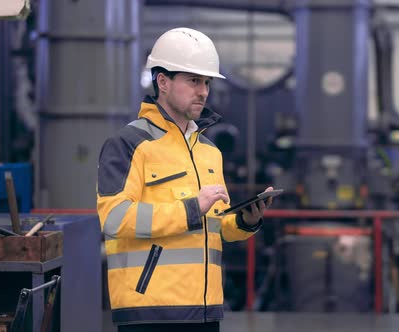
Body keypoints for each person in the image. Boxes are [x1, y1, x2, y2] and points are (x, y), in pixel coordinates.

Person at [96, 27, 274, 332]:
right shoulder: (128, 144)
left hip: (205, 310)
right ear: (162, 82)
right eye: (193, 81)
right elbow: (114, 219)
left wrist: (244, 221)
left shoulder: (209, 152)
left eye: (206, 82)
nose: (203, 91)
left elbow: (217, 227)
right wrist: (192, 209)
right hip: (150, 312)